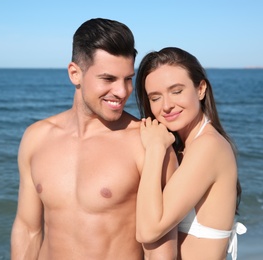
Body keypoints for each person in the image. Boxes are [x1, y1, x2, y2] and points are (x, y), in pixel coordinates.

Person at [10, 18, 178, 260]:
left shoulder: (148, 144)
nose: (122, 92)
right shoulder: (36, 138)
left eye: (128, 79)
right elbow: (28, 229)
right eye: (108, 79)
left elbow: (160, 251)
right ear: (75, 74)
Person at [135, 47, 247, 260]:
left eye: (177, 91)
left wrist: (155, 149)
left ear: (201, 89)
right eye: (155, 97)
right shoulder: (186, 147)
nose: (166, 106)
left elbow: (147, 231)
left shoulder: (208, 146)